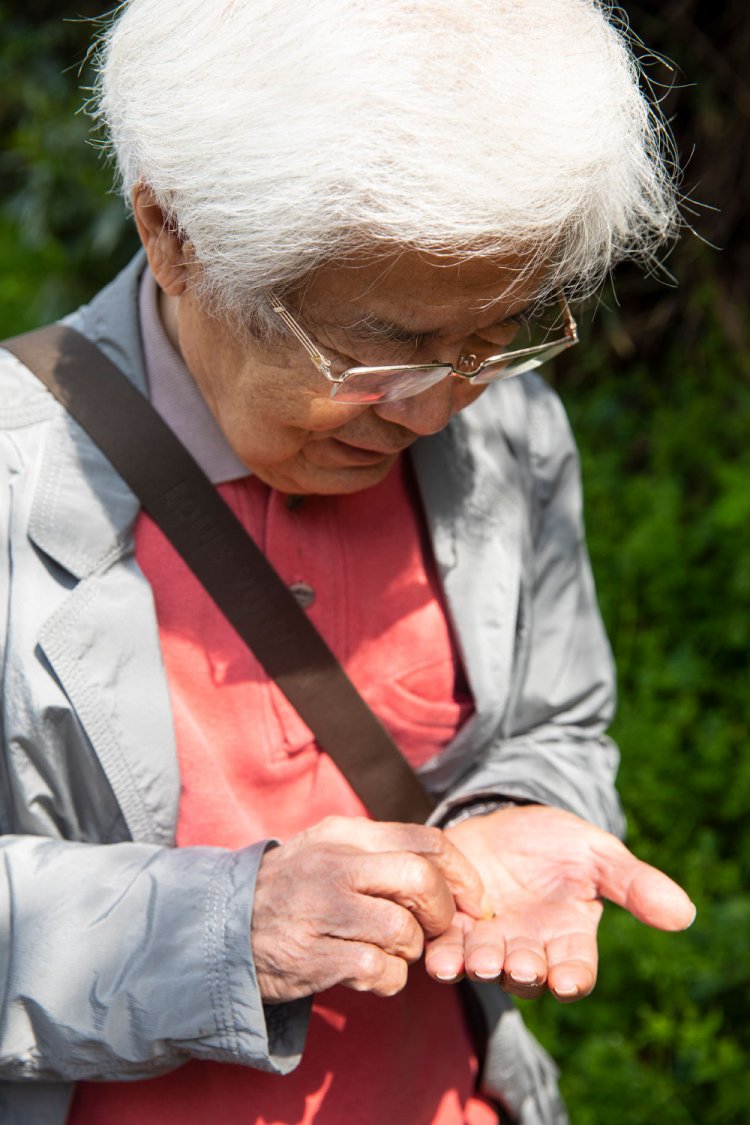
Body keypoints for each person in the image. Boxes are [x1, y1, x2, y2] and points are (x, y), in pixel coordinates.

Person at [0, 2, 696, 1123]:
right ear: (174, 232)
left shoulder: (507, 441)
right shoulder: (15, 481)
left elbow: (562, 725)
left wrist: (511, 814)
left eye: (496, 333)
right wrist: (229, 928)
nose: (437, 408)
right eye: (383, 345)